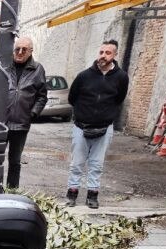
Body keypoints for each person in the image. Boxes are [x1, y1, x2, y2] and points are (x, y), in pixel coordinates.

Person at [65, 39, 129, 209]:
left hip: (104, 127)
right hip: (81, 126)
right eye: (101, 52)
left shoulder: (121, 77)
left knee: (96, 164)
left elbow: (119, 99)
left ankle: (92, 195)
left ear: (115, 55)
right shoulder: (84, 76)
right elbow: (72, 98)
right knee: (77, 163)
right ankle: (72, 194)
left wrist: (106, 115)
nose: (103, 56)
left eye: (108, 53)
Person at [0, 36, 48, 189]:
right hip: (0, 124)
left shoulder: (38, 69)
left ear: (31, 51)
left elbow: (42, 96)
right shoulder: (3, 67)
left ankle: (12, 191)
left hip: (21, 124)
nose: (19, 52)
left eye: (24, 50)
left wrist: (33, 113)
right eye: (17, 49)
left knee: (15, 161)